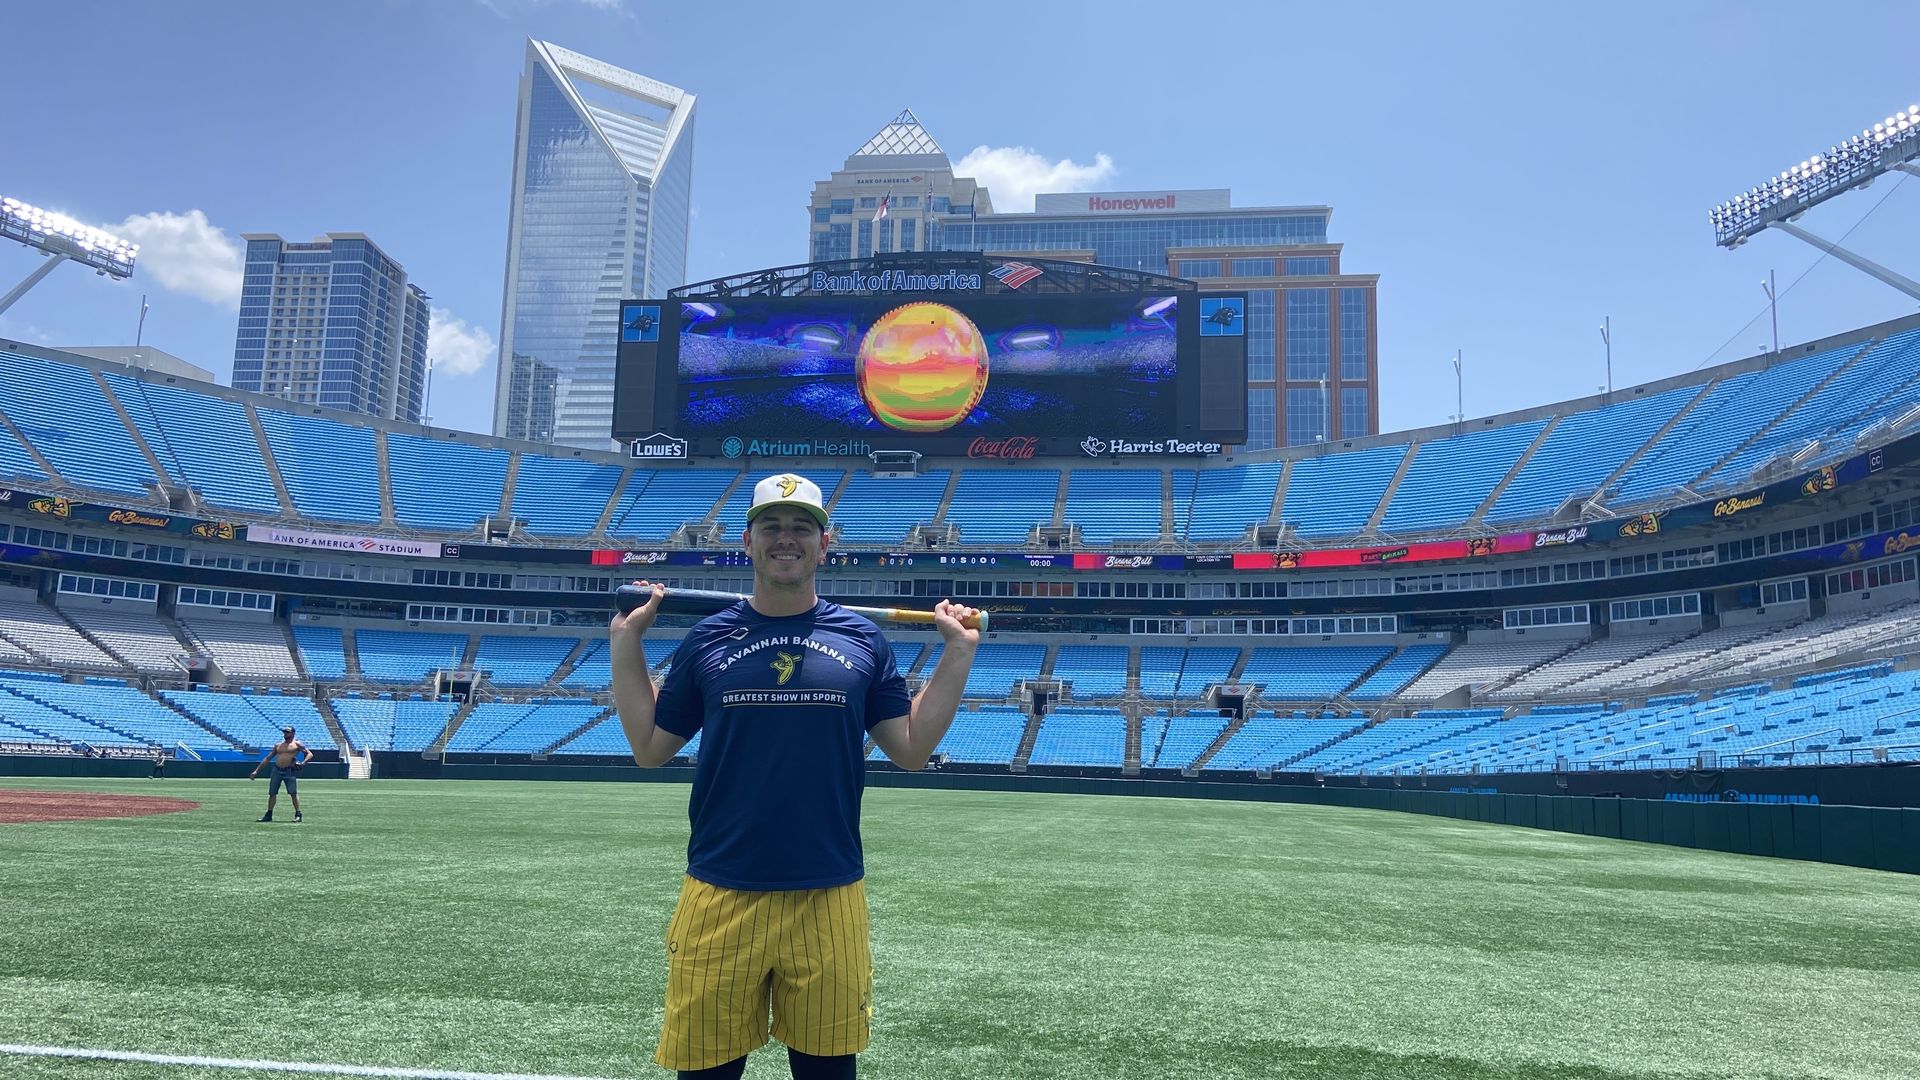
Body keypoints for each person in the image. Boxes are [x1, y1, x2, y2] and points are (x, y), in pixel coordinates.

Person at [611, 472, 980, 1080]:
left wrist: (957, 654)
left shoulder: (863, 638)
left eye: (801, 528)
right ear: (748, 543)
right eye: (772, 527)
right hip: (720, 888)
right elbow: (650, 747)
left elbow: (910, 749)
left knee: (826, 1074)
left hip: (828, 894)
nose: (787, 538)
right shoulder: (708, 638)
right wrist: (627, 645)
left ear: (823, 543)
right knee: (706, 1073)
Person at [248, 726, 310, 822]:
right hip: (277, 770)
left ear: (293, 733)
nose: (285, 734)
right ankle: (269, 814)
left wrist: (303, 763)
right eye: (285, 732)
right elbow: (268, 758)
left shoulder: (297, 744)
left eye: (288, 732)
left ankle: (298, 814)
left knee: (293, 793)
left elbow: (309, 754)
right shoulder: (278, 745)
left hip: (289, 771)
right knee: (272, 793)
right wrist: (256, 771)